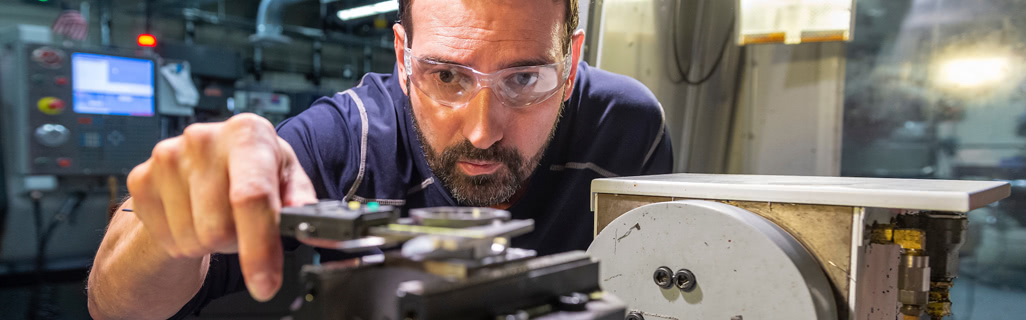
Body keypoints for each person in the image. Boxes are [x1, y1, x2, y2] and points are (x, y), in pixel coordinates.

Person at [86, 0, 672, 318]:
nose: (483, 130)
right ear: (402, 57)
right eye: (446, 75)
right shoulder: (351, 139)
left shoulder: (627, 131)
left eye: (525, 77)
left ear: (570, 63)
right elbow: (116, 307)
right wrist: (168, 228)